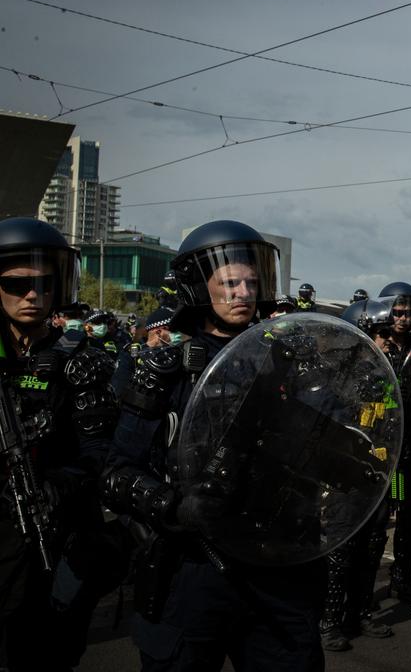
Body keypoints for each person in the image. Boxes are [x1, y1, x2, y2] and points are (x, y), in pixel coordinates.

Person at [102, 220, 328, 671]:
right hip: (193, 566)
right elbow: (116, 474)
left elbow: (322, 446)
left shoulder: (286, 361)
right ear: (197, 288)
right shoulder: (164, 368)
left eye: (250, 281)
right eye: (229, 282)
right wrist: (172, 506)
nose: (243, 292)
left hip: (276, 563)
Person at [0, 217, 121, 671]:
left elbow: (100, 456)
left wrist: (57, 487)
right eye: (16, 284)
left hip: (52, 536)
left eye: (44, 284)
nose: (32, 295)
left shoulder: (79, 364)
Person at [318, 299, 397, 652]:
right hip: (343, 475)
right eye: (381, 334)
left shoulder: (386, 371)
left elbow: (392, 419)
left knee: (373, 545)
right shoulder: (335, 370)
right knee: (340, 549)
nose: (387, 340)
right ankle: (329, 620)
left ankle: (361, 611)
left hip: (377, 473)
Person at [375, 282, 411, 605]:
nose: (401, 318)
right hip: (383, 450)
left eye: (407, 312)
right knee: (379, 518)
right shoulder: (376, 344)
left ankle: (403, 578)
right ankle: (361, 590)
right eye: (396, 312)